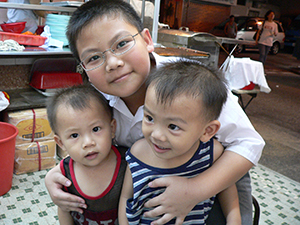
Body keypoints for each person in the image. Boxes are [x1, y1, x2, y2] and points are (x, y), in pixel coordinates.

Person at [44, 0, 265, 224]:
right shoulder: (97, 101)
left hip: (216, 181)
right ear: (83, 69)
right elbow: (80, 139)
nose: (112, 63)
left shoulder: (190, 86)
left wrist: (195, 190)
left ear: (147, 40)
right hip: (152, 191)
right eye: (93, 58)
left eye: (121, 43)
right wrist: (55, 176)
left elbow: (248, 143)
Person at [118, 59, 241, 225]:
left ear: (207, 131)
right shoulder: (138, 153)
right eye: (149, 118)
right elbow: (126, 197)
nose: (157, 135)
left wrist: (234, 218)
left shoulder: (211, 153)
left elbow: (225, 187)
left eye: (173, 126)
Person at [46, 84, 127, 224]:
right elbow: (64, 208)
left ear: (112, 128)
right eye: (74, 135)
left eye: (96, 129)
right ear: (60, 142)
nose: (88, 143)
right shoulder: (64, 174)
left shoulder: (127, 163)